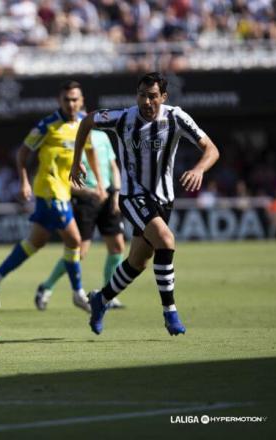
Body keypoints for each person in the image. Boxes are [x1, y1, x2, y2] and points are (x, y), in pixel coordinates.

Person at [69, 72, 220, 336]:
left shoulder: (176, 118)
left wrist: (199, 169)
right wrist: (76, 159)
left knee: (138, 261)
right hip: (132, 195)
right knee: (166, 239)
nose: (147, 101)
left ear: (164, 97)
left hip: (163, 199)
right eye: (142, 95)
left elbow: (211, 150)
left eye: (152, 96)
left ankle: (100, 299)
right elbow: (88, 121)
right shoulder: (123, 118)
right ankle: (170, 312)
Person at [0, 81, 106, 312]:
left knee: (35, 242)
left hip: (63, 190)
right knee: (75, 241)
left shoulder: (83, 123)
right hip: (49, 189)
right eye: (66, 99)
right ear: (60, 101)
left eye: (74, 99)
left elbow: (90, 151)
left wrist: (99, 183)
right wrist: (24, 181)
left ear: (82, 101)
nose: (70, 103)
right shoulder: (48, 125)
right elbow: (22, 153)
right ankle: (78, 292)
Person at [35, 128, 126, 310]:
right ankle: (46, 287)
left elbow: (113, 166)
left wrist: (116, 193)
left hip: (108, 196)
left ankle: (109, 294)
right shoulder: (69, 140)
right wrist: (89, 191)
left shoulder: (102, 137)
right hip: (84, 200)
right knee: (79, 251)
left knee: (117, 246)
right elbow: (63, 179)